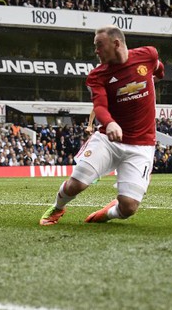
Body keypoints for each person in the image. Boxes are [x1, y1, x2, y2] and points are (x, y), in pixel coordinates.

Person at [40, 25, 165, 225]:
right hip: (108, 140)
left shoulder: (148, 55)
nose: (96, 51)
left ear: (116, 44)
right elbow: (99, 107)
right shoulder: (97, 75)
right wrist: (110, 123)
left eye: (99, 46)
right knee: (77, 184)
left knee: (128, 207)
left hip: (141, 145)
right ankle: (57, 208)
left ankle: (106, 214)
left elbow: (158, 68)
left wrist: (156, 77)